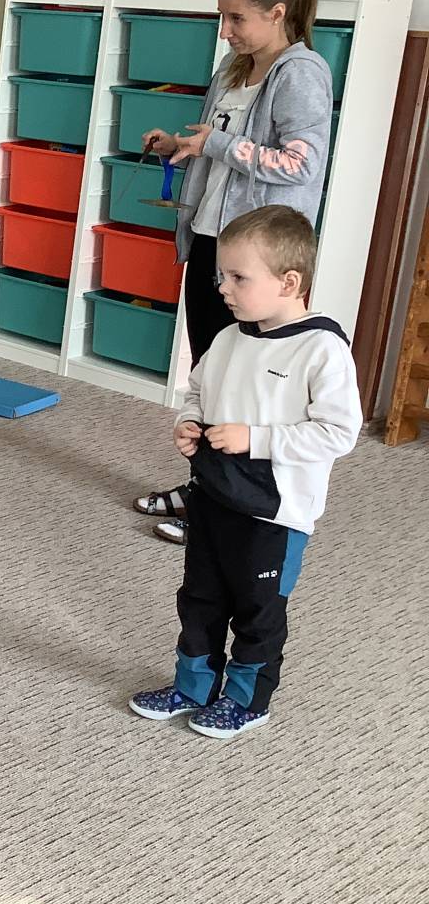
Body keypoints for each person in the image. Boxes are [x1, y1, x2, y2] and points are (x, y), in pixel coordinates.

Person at [128, 206, 360, 738]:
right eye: (221, 275)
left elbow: (338, 433)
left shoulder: (322, 350)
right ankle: (193, 687)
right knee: (199, 600)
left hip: (273, 516)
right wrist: (189, 423)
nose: (223, 288)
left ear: (289, 282)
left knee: (257, 612)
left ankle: (247, 700)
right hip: (213, 499)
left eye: (238, 277)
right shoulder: (230, 338)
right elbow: (198, 390)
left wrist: (255, 438)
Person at [134, 0, 334, 547]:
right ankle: (206, 488)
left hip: (259, 254)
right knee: (212, 371)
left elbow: (300, 164)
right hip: (212, 238)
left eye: (236, 18)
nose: (225, 30)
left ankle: (226, 503)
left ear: (277, 13)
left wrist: (218, 144)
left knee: (247, 384)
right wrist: (182, 144)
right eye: (222, 17)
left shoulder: (301, 73)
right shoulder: (233, 66)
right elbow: (218, 141)